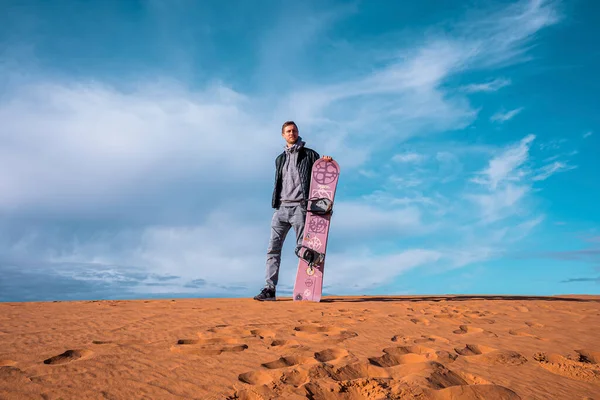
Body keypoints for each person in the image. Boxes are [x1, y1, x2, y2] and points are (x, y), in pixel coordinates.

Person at [254, 121, 332, 301]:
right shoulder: (279, 159)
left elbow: (321, 179)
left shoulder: (310, 155)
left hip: (300, 208)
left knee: (303, 248)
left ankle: (308, 285)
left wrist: (325, 163)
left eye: (294, 130)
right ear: (283, 135)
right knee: (272, 249)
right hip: (281, 208)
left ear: (298, 133)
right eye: (288, 131)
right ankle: (269, 290)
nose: (292, 133)